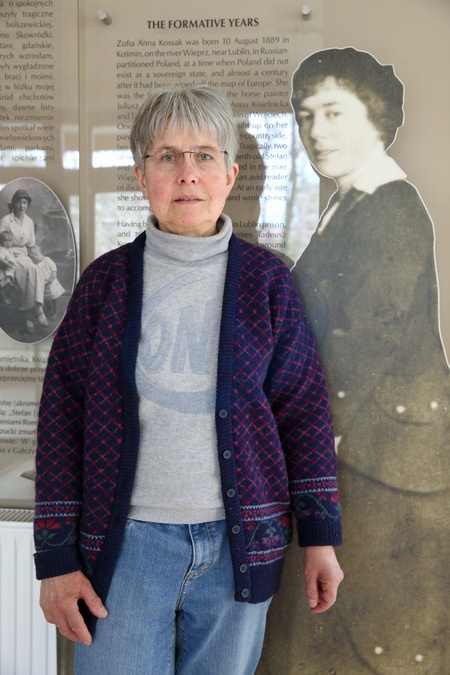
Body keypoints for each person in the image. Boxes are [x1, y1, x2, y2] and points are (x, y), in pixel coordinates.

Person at [34, 84, 343, 675]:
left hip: (239, 546)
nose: (187, 173)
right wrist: (55, 560)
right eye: (167, 156)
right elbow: (60, 423)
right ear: (140, 175)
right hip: (122, 551)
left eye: (203, 155)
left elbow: (303, 411)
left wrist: (320, 537)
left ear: (229, 175)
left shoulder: (268, 285)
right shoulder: (103, 286)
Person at [289, 47, 450, 672]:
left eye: (334, 112)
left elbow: (363, 344)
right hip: (366, 454)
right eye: (306, 116)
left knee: (378, 643)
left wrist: (301, 437)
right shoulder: (351, 202)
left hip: (389, 468)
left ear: (376, 115)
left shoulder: (390, 208)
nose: (317, 131)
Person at [0, 188, 47, 333]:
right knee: (31, 270)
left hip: (24, 255)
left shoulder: (29, 221)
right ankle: (35, 312)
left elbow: (31, 244)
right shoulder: (6, 220)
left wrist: (38, 256)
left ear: (27, 205)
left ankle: (30, 314)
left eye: (24, 202)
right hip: (9, 256)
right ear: (14, 204)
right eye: (19, 202)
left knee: (36, 269)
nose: (21, 205)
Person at [27, 244, 65, 319]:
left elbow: (54, 269)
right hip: (44, 284)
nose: (35, 258)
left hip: (52, 283)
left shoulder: (47, 260)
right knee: (46, 299)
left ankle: (55, 312)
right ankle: (48, 311)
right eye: (32, 257)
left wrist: (52, 277)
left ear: (40, 253)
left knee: (54, 299)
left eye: (36, 255)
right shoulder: (35, 265)